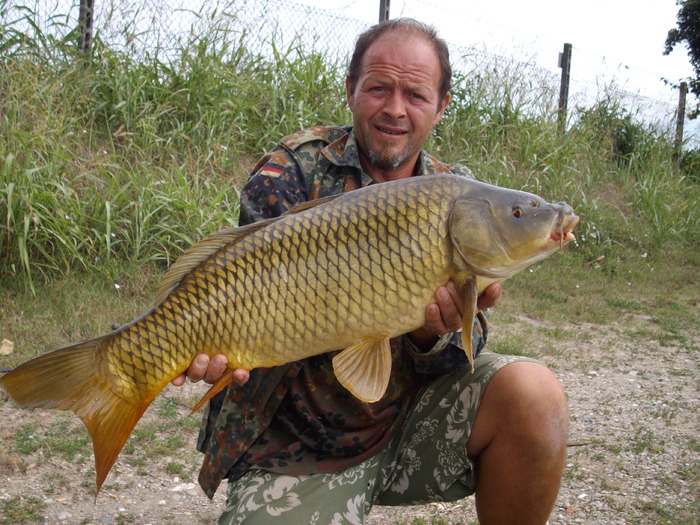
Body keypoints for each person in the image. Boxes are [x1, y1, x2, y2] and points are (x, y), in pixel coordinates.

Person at [173, 18, 568, 525]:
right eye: (378, 88)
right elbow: (238, 292)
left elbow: (465, 353)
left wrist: (432, 331)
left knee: (534, 396)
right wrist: (202, 346)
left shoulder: (457, 194)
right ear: (351, 91)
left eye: (416, 94)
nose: (395, 109)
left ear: (441, 105)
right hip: (296, 445)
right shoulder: (291, 170)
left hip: (405, 423)